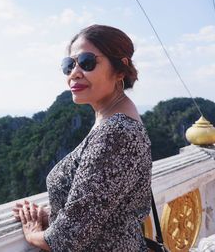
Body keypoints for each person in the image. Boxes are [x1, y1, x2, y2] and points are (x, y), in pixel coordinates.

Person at [12, 24, 152, 251]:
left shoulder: (116, 133)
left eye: (87, 62)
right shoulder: (116, 121)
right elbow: (104, 212)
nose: (74, 73)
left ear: (120, 69)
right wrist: (53, 217)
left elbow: (65, 240)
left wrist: (33, 233)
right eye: (69, 65)